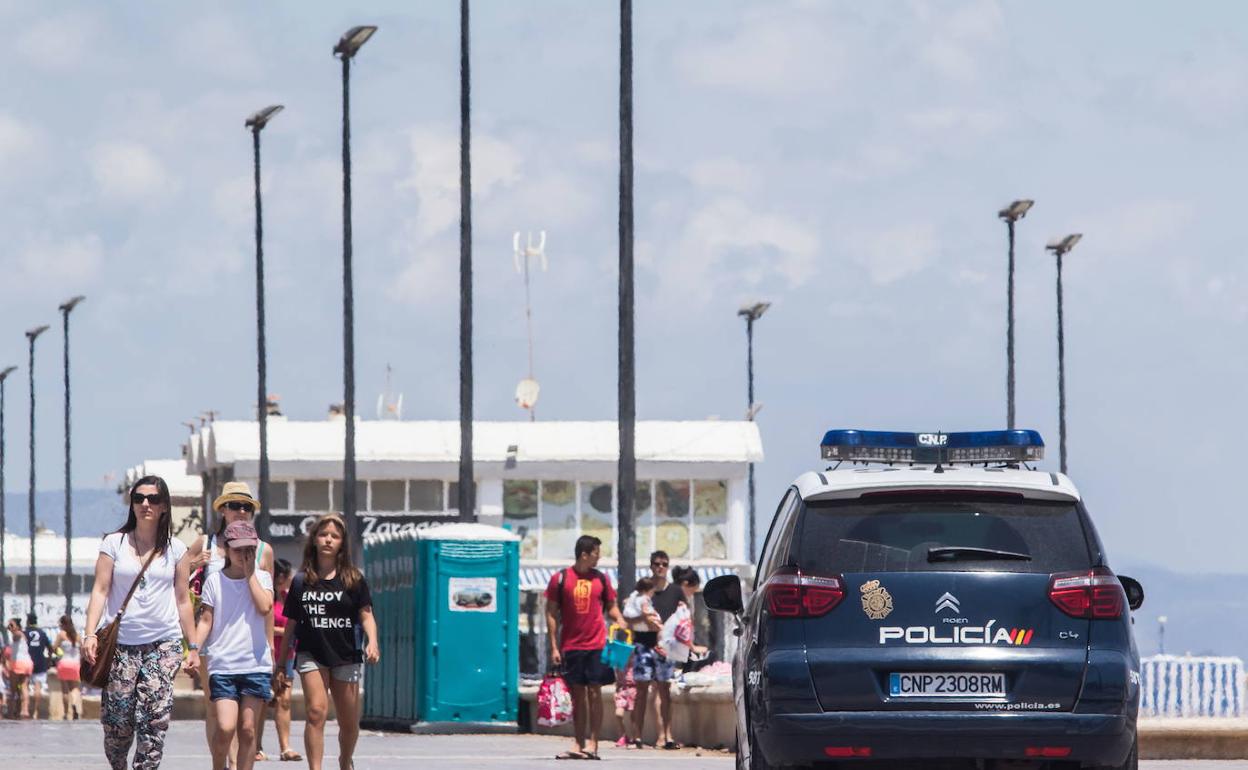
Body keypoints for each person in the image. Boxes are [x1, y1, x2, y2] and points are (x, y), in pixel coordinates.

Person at [83, 475, 199, 770]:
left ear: (164, 506)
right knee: (118, 723)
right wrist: (89, 634)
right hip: (121, 645)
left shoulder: (177, 550)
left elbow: (183, 600)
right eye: (139, 498)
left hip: (164, 643)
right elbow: (100, 590)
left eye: (153, 499)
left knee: (154, 718)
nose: (146, 504)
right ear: (132, 504)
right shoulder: (114, 543)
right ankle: (119, 764)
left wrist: (193, 646)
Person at [276, 513, 380, 770]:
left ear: (342, 543)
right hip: (311, 653)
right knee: (316, 712)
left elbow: (366, 615)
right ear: (314, 540)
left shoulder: (353, 579)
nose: (328, 540)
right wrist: (280, 664)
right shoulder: (301, 581)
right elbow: (290, 624)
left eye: (335, 536)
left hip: (345, 654)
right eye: (323, 535)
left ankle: (345, 760)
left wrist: (373, 642)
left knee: (348, 723)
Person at [189, 482, 276, 768]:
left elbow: (267, 608)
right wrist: (192, 647)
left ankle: (239, 764)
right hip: (218, 647)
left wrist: (271, 649)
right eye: (235, 505)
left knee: (248, 727)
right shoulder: (207, 544)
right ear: (222, 508)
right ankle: (222, 763)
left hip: (253, 651)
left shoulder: (263, 554)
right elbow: (197, 605)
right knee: (219, 718)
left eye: (246, 506)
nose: (241, 511)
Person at [544, 534, 626, 760]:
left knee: (595, 691)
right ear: (584, 554)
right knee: (577, 694)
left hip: (597, 644)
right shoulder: (560, 579)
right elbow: (550, 613)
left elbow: (611, 606)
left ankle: (593, 743)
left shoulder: (601, 579)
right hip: (571, 644)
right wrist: (553, 646)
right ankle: (578, 744)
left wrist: (619, 618)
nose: (599, 557)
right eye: (596, 553)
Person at [653, 566, 707, 750]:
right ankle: (663, 735)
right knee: (662, 691)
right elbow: (682, 630)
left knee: (660, 691)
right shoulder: (678, 599)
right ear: (686, 584)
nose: (694, 593)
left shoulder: (668, 594)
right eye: (694, 589)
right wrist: (692, 647)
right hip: (666, 648)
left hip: (662, 646)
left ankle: (664, 735)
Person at [631, 551, 680, 748]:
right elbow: (627, 620)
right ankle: (637, 737)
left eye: (664, 564)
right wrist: (643, 620)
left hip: (666, 647)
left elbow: (684, 618)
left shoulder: (676, 592)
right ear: (651, 566)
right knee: (641, 690)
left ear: (668, 567)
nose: (660, 567)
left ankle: (668, 736)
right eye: (656, 564)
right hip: (643, 644)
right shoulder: (641, 591)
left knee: (665, 690)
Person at [255, 558, 301, 762]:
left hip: (286, 655)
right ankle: (257, 746)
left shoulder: (288, 598)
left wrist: (285, 633)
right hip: (263, 654)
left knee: (284, 700)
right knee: (263, 701)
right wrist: (281, 631)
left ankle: (286, 747)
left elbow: (296, 624)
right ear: (279, 577)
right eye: (287, 575)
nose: (290, 578)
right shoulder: (265, 596)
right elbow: (259, 622)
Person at [54, 615, 84, 720]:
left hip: (63, 664)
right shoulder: (78, 636)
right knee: (75, 689)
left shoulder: (61, 635)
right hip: (75, 665)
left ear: (62, 624)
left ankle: (66, 713)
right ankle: (75, 705)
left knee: (65, 691)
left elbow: (54, 648)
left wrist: (57, 653)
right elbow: (82, 652)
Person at [24, 613, 52, 719]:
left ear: (28, 621)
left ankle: (25, 708)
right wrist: (49, 660)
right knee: (37, 687)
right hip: (40, 662)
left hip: (27, 661)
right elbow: (50, 648)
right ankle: (35, 712)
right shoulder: (42, 633)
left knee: (24, 686)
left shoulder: (25, 633)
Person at [6, 618, 31, 719]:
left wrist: (14, 630)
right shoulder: (20, 635)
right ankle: (24, 710)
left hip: (18, 663)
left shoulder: (18, 634)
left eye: (12, 625)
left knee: (13, 689)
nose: (10, 627)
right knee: (23, 687)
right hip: (26, 663)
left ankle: (11, 710)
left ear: (18, 626)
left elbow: (16, 636)